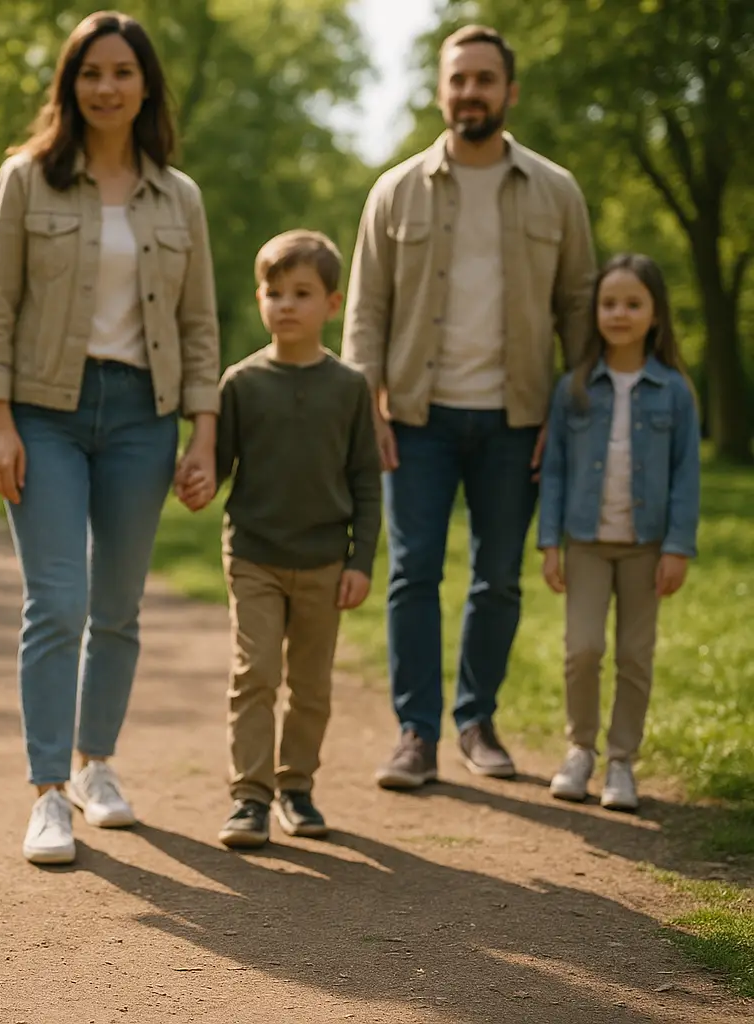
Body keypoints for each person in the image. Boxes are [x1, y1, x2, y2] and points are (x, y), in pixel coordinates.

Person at [0, 10, 220, 865]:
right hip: (44, 412)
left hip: (145, 416)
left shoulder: (178, 197)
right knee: (58, 602)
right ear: (70, 87)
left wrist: (203, 432)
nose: (106, 87)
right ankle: (48, 793)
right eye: (90, 73)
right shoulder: (27, 180)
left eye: (122, 72)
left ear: (145, 86)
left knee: (118, 608)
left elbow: (200, 323)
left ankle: (98, 764)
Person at [341, 24, 597, 789]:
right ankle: (415, 734)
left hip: (517, 418)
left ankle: (476, 722)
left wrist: (571, 408)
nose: (470, 93)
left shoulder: (555, 190)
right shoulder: (395, 190)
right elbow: (366, 311)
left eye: (484, 80)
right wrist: (368, 411)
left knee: (500, 578)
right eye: (458, 80)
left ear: (508, 92)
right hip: (415, 418)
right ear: (440, 88)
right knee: (412, 573)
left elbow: (580, 305)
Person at [201, 230, 380, 849]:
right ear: (259, 299)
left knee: (311, 685)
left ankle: (296, 787)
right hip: (253, 554)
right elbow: (216, 465)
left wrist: (361, 560)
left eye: (301, 293)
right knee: (255, 673)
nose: (285, 305)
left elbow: (365, 480)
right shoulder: (241, 383)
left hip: (325, 561)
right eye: (274, 292)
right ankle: (249, 798)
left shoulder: (350, 388)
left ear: (332, 304)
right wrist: (192, 475)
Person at [537, 253, 700, 812]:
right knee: (583, 649)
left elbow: (686, 475)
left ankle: (622, 762)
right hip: (584, 540)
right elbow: (554, 467)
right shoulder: (574, 387)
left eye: (633, 303)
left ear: (655, 314)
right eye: (610, 303)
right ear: (596, 313)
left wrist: (678, 546)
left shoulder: (674, 391)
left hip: (647, 545)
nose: (620, 313)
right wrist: (549, 541)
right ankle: (580, 751)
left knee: (635, 653)